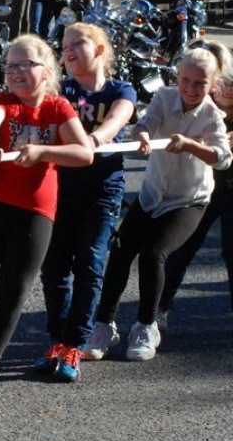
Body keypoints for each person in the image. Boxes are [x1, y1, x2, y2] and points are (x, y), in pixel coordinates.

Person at [0, 35, 93, 407]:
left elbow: (83, 153)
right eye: (10, 66)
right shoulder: (3, 103)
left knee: (11, 295)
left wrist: (43, 150)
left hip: (35, 213)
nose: (16, 73)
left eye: (25, 65)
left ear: (47, 70)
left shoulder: (58, 108)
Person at [86, 47, 232, 362]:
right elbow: (145, 124)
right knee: (122, 249)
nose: (191, 89)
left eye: (200, 83)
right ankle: (103, 324)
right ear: (176, 77)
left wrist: (192, 145)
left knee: (154, 253)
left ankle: (146, 325)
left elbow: (223, 158)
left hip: (188, 199)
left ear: (213, 85)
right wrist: (142, 135)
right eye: (186, 80)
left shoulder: (212, 116)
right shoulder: (164, 97)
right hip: (152, 194)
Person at [33, 23, 135, 381]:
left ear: (101, 49)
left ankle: (76, 343)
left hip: (102, 189)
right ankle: (57, 340)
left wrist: (94, 139)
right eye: (64, 46)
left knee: (90, 262)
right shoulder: (60, 90)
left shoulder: (120, 89)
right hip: (59, 187)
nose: (69, 51)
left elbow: (119, 118)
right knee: (54, 267)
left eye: (78, 43)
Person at [159, 59, 233, 325]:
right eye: (224, 84)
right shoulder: (203, 108)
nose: (227, 90)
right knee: (182, 248)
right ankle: (158, 312)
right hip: (203, 186)